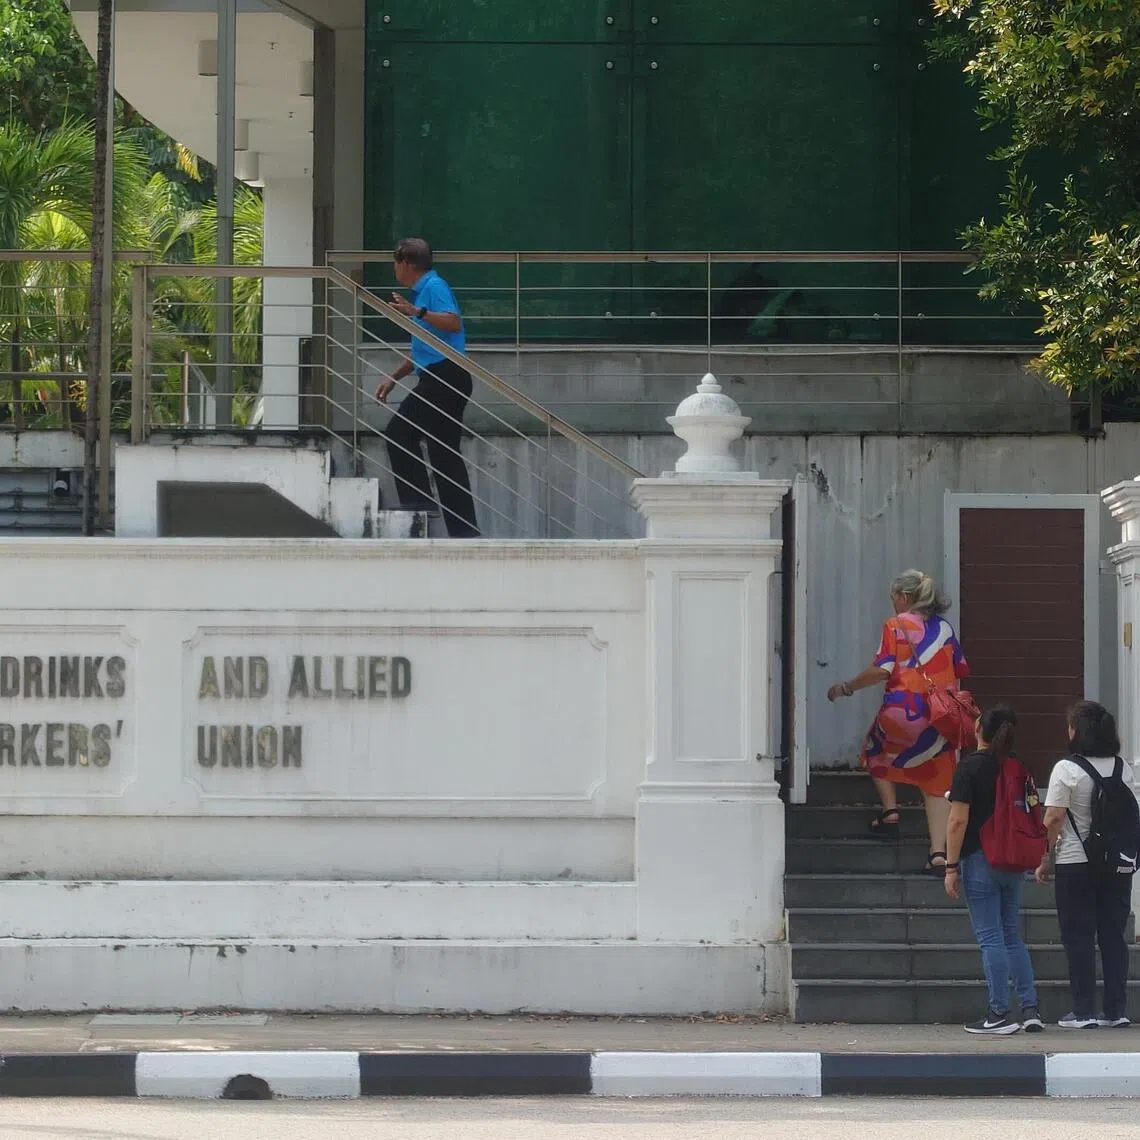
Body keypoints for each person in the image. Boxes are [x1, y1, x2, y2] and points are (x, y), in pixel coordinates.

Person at [827, 569, 969, 875]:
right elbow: (958, 670)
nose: (892, 602)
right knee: (937, 781)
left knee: (874, 749)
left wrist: (846, 687)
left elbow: (883, 669)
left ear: (904, 597)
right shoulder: (945, 629)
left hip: (903, 712)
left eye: (893, 597)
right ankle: (938, 855)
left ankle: (891, 813)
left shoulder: (895, 626)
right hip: (941, 718)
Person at [1036, 701, 1135, 1030]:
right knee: (1113, 935)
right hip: (1117, 866)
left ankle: (1082, 1011)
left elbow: (1053, 817)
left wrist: (1043, 856)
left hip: (1075, 862)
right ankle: (1116, 1010)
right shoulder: (1123, 768)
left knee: (1078, 936)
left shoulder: (1066, 768)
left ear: (1077, 732)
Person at [944, 705, 1042, 1035]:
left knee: (990, 939)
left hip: (979, 858)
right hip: (1013, 860)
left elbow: (957, 821)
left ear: (977, 729)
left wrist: (950, 866)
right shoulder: (1019, 767)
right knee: (1012, 935)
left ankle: (999, 1012)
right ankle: (1030, 1009)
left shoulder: (969, 768)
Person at [374, 238, 480, 538]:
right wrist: (393, 377)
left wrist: (416, 312)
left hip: (446, 377)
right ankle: (465, 532)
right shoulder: (424, 293)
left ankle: (417, 504)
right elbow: (426, 348)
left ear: (406, 262)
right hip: (440, 374)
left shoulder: (434, 287)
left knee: (399, 433)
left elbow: (452, 323)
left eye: (396, 263)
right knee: (444, 454)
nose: (395, 269)